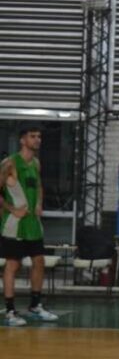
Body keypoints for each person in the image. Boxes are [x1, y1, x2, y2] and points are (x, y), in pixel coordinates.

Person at [1, 126, 57, 326]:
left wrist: (39, 203)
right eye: (32, 136)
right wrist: (11, 209)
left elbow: (39, 186)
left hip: (33, 222)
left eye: (39, 136)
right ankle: (10, 311)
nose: (37, 140)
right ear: (22, 140)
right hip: (15, 223)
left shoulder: (36, 163)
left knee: (39, 261)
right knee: (13, 265)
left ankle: (35, 306)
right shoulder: (9, 163)